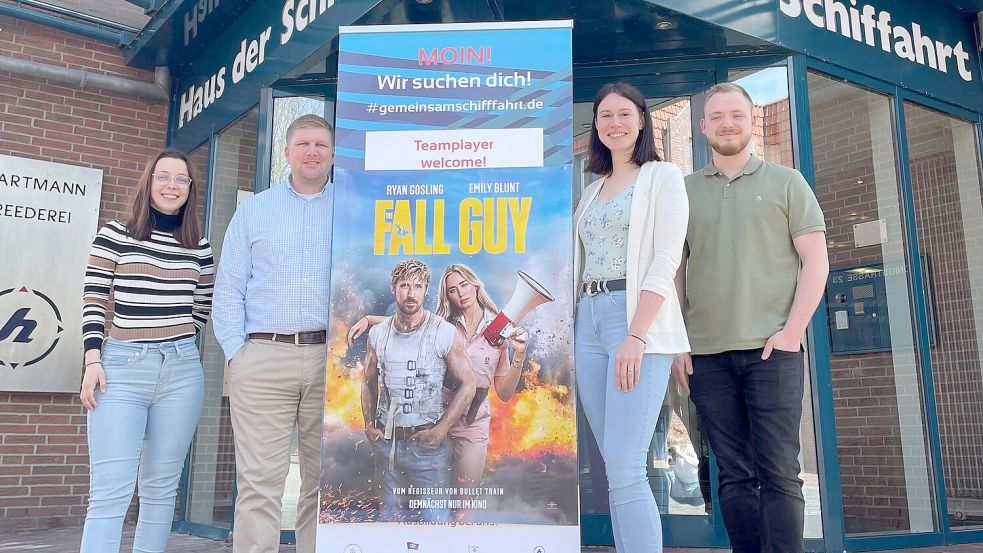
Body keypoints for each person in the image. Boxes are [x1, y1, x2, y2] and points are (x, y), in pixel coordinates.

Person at [672, 82, 828, 553]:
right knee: (733, 474)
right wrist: (679, 342)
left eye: (736, 114)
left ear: (752, 120)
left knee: (780, 471)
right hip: (708, 356)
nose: (726, 123)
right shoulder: (684, 191)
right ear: (703, 127)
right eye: (716, 116)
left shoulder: (787, 182)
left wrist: (792, 332)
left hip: (771, 350)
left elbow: (816, 261)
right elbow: (675, 271)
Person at [573, 82, 690, 553]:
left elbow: (666, 259)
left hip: (633, 320)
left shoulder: (663, 176)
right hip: (588, 319)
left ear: (642, 120)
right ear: (596, 126)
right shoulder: (593, 188)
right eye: (605, 116)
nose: (614, 123)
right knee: (612, 463)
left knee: (625, 464)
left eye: (624, 114)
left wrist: (637, 334)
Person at [79, 149, 213, 553]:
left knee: (160, 496)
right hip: (120, 369)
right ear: (148, 182)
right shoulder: (115, 235)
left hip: (181, 373)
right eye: (163, 177)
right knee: (109, 496)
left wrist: (180, 344)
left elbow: (201, 307)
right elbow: (93, 298)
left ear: (190, 189)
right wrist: (92, 360)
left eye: (181, 179)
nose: (172, 186)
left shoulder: (199, 246)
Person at [212, 114, 334, 553]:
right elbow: (228, 286)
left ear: (333, 154)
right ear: (286, 151)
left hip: (330, 362)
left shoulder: (350, 209)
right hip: (262, 357)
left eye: (321, 144)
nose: (312, 152)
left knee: (325, 482)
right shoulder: (254, 210)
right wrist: (235, 352)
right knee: (260, 484)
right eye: (303, 143)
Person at [349, 263, 528, 489]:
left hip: (473, 424)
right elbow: (410, 318)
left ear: (476, 285)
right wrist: (368, 319)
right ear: (447, 295)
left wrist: (519, 354)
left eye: (464, 285)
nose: (461, 293)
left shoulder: (499, 329)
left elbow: (503, 393)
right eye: (453, 290)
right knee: (432, 492)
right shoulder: (443, 323)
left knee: (466, 495)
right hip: (434, 418)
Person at [360, 259, 475, 522]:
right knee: (389, 521)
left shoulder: (443, 332)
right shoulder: (378, 333)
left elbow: (469, 383)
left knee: (435, 524)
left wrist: (441, 429)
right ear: (394, 289)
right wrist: (369, 424)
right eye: (404, 286)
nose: (411, 293)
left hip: (427, 445)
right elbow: (368, 381)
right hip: (387, 443)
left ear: (426, 291)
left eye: (418, 286)